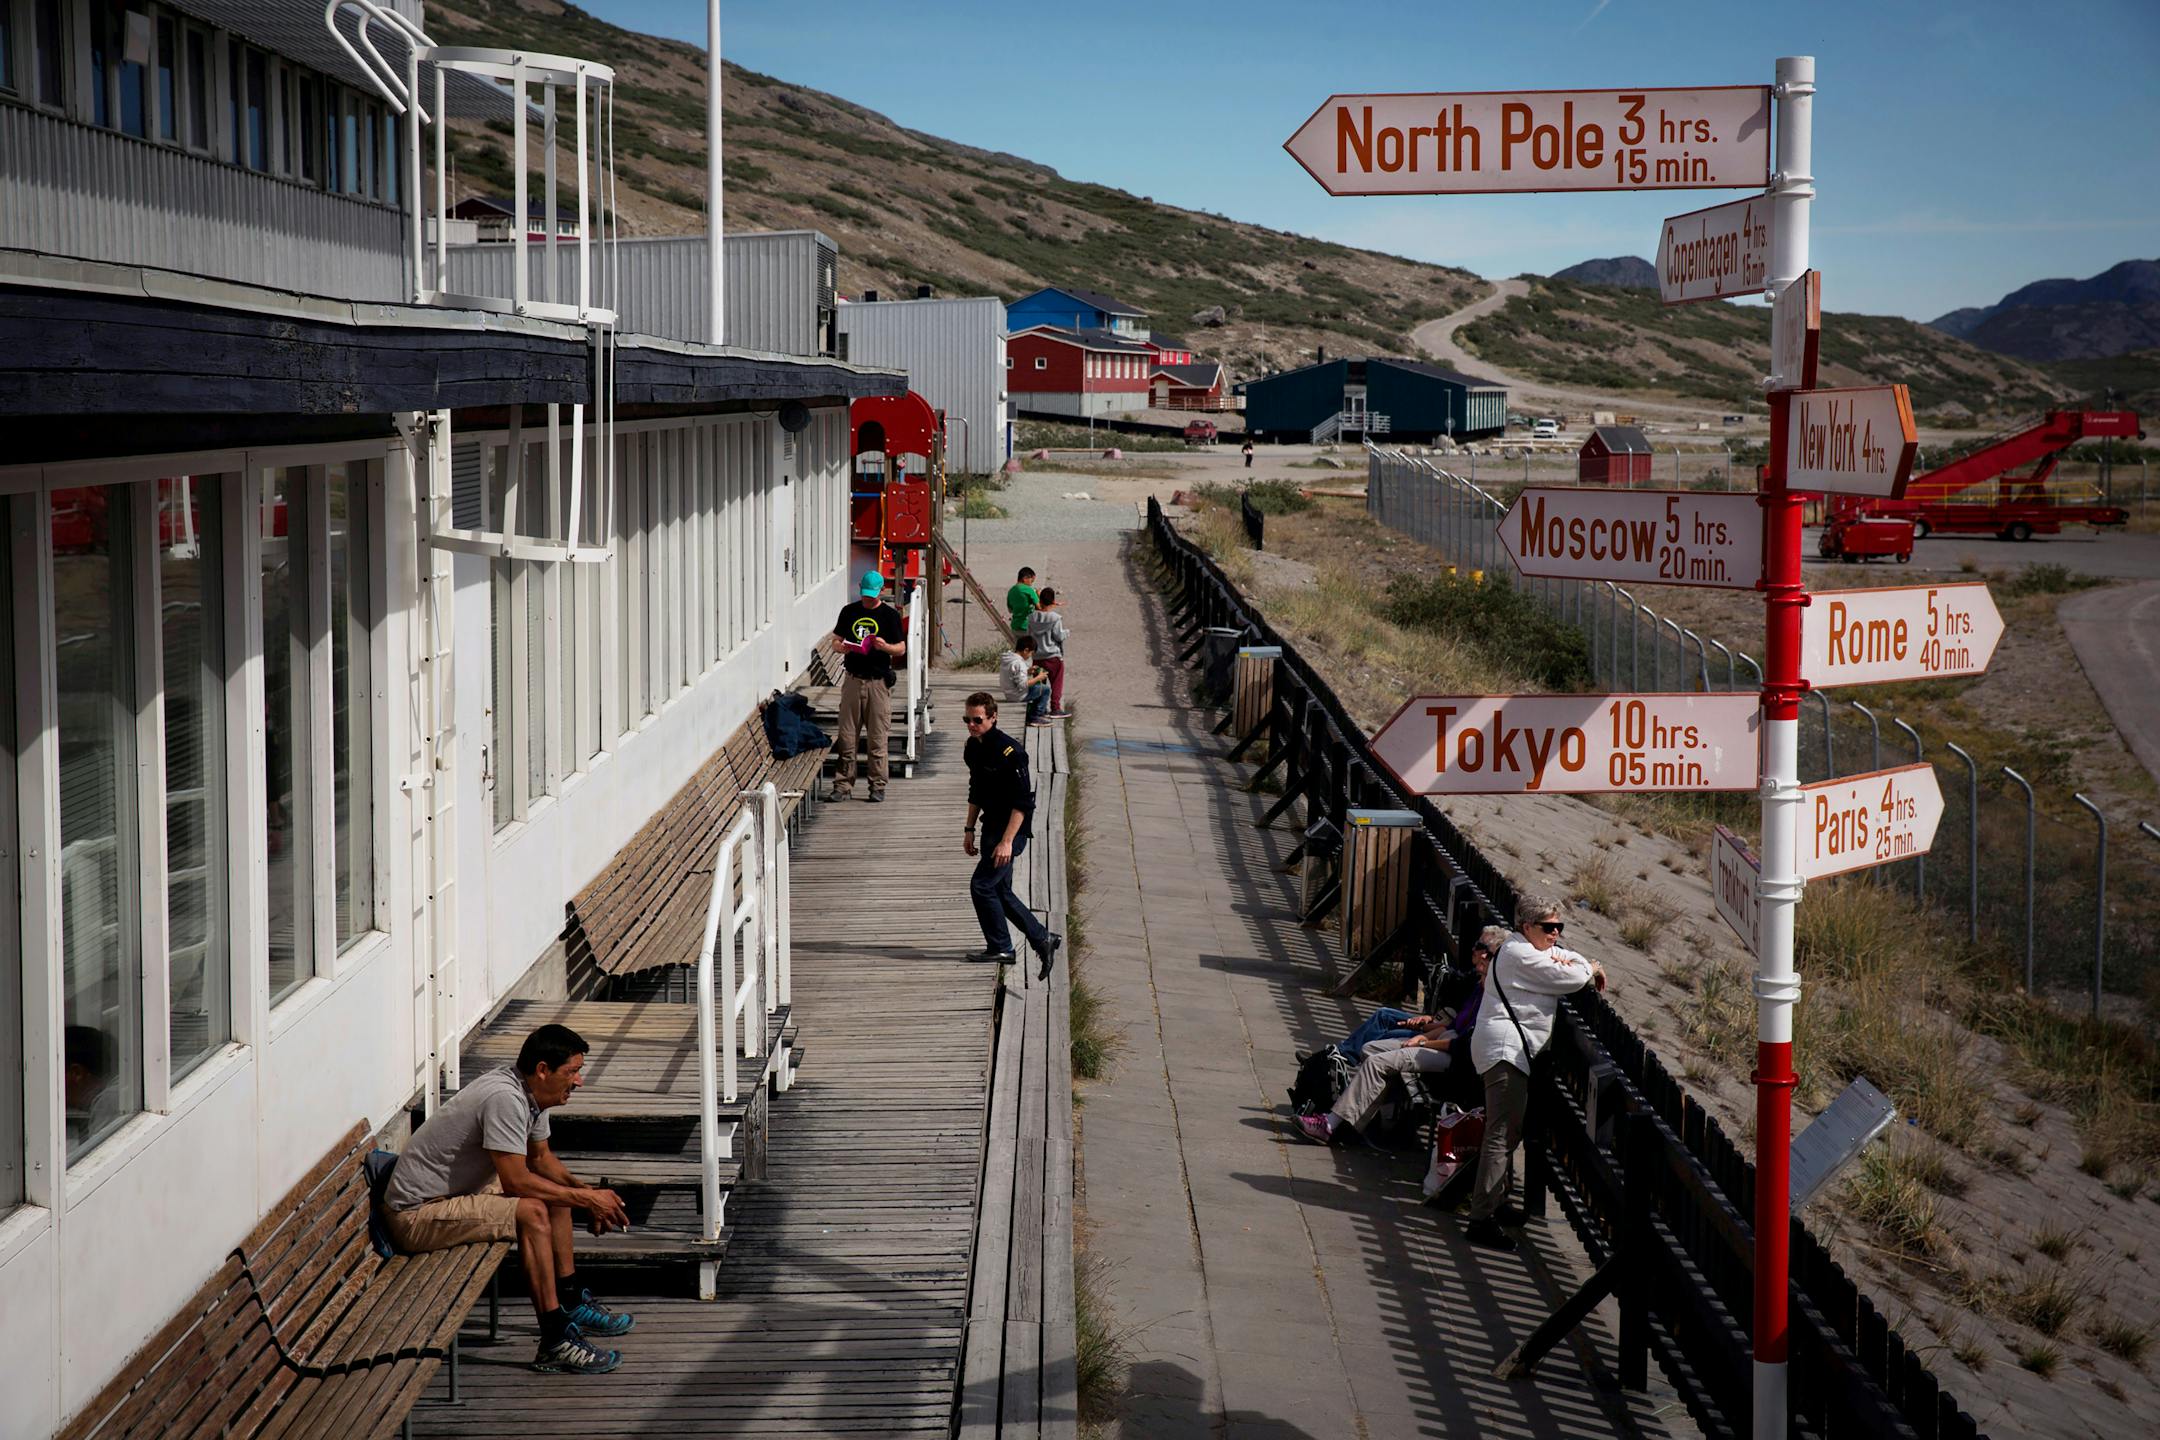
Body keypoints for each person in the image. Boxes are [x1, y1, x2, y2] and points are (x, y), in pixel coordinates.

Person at [381, 1023, 636, 1375]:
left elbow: (541, 1160)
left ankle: (570, 1300)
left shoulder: (531, 1091)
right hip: (416, 1215)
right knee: (531, 1211)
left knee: (556, 1196)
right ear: (543, 1070)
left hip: (455, 1196)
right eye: (572, 1072)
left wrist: (587, 1194)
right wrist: (586, 1200)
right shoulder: (505, 1099)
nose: (579, 1081)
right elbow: (516, 1182)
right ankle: (555, 1341)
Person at [1462, 898, 1605, 1252]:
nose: (1556, 934)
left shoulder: (1522, 949)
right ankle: (1481, 1219)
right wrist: (1590, 966)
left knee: (1508, 1131)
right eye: (1549, 928)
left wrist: (1572, 959)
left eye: (1560, 928)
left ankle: (1495, 1202)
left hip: (1506, 1049)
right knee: (1501, 1134)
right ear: (1527, 927)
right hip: (1506, 1052)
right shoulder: (1522, 955)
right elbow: (1571, 976)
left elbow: (1566, 963)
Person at [1298, 929, 1500, 1145]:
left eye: (1485, 966)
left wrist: (1423, 1040)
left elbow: (1461, 1044)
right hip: (1444, 1041)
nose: (1480, 965)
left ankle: (1330, 1125)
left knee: (1377, 1063)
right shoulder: (1479, 989)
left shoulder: (1492, 1000)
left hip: (1455, 1058)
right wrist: (1424, 1033)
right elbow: (1451, 1024)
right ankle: (1375, 1118)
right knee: (1370, 1049)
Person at [960, 691, 1062, 978]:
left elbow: (1023, 804)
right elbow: (976, 790)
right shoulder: (973, 747)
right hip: (990, 825)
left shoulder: (1012, 753)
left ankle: (1002, 946)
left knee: (981, 886)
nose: (971, 724)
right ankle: (1043, 939)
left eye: (977, 720)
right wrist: (969, 829)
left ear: (993, 717)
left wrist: (1007, 842)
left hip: (1011, 830)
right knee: (1000, 891)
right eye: (967, 719)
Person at [829, 569, 907, 802]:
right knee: (847, 736)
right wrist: (841, 647)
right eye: (865, 595)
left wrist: (884, 647)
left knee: (877, 737)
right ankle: (842, 785)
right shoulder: (849, 611)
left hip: (877, 682)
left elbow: (901, 648)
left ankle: (877, 785)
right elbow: (835, 640)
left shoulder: (890, 616)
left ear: (881, 591)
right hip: (853, 679)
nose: (868, 599)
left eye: (872, 595)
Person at [1027, 587, 1071, 718]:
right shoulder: (1055, 618)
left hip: (1037, 656)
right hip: (1053, 656)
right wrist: (1067, 633)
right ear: (1052, 601)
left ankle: (1040, 708)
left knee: (1040, 683)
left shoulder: (1031, 617)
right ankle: (1055, 708)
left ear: (1040, 600)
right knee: (1056, 682)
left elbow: (1029, 635)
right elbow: (1058, 636)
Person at [998, 633, 1053, 727]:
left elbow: (1013, 675)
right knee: (1045, 689)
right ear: (1026, 650)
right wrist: (1038, 678)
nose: (1030, 656)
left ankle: (1036, 713)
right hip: (1018, 695)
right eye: (1031, 653)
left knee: (1038, 688)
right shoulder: (1019, 663)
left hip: (1009, 693)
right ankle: (1036, 716)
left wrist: (1027, 672)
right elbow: (1023, 685)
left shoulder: (1008, 659)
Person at [1006, 566, 1041, 638]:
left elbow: (1010, 610)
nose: (1031, 584)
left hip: (1015, 627)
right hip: (1027, 626)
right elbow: (1040, 607)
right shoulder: (1029, 590)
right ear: (1025, 578)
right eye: (1031, 581)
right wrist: (1038, 595)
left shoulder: (1011, 591)